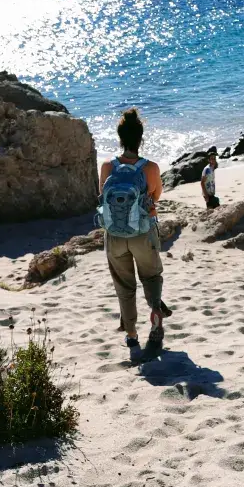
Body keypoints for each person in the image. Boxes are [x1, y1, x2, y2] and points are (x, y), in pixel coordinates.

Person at [99, 108, 165, 358]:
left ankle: (131, 335)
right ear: (141, 139)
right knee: (151, 277)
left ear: (120, 138)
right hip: (143, 233)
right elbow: (155, 197)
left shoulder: (107, 166)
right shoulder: (151, 168)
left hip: (115, 236)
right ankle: (156, 314)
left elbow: (102, 197)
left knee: (124, 286)